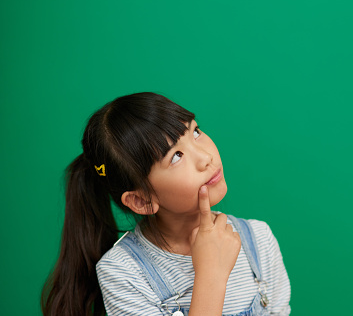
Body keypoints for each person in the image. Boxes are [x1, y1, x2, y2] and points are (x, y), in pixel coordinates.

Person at [41, 92, 291, 316]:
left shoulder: (258, 241)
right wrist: (211, 275)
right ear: (142, 200)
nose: (206, 157)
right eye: (176, 157)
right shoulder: (123, 273)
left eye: (195, 132)